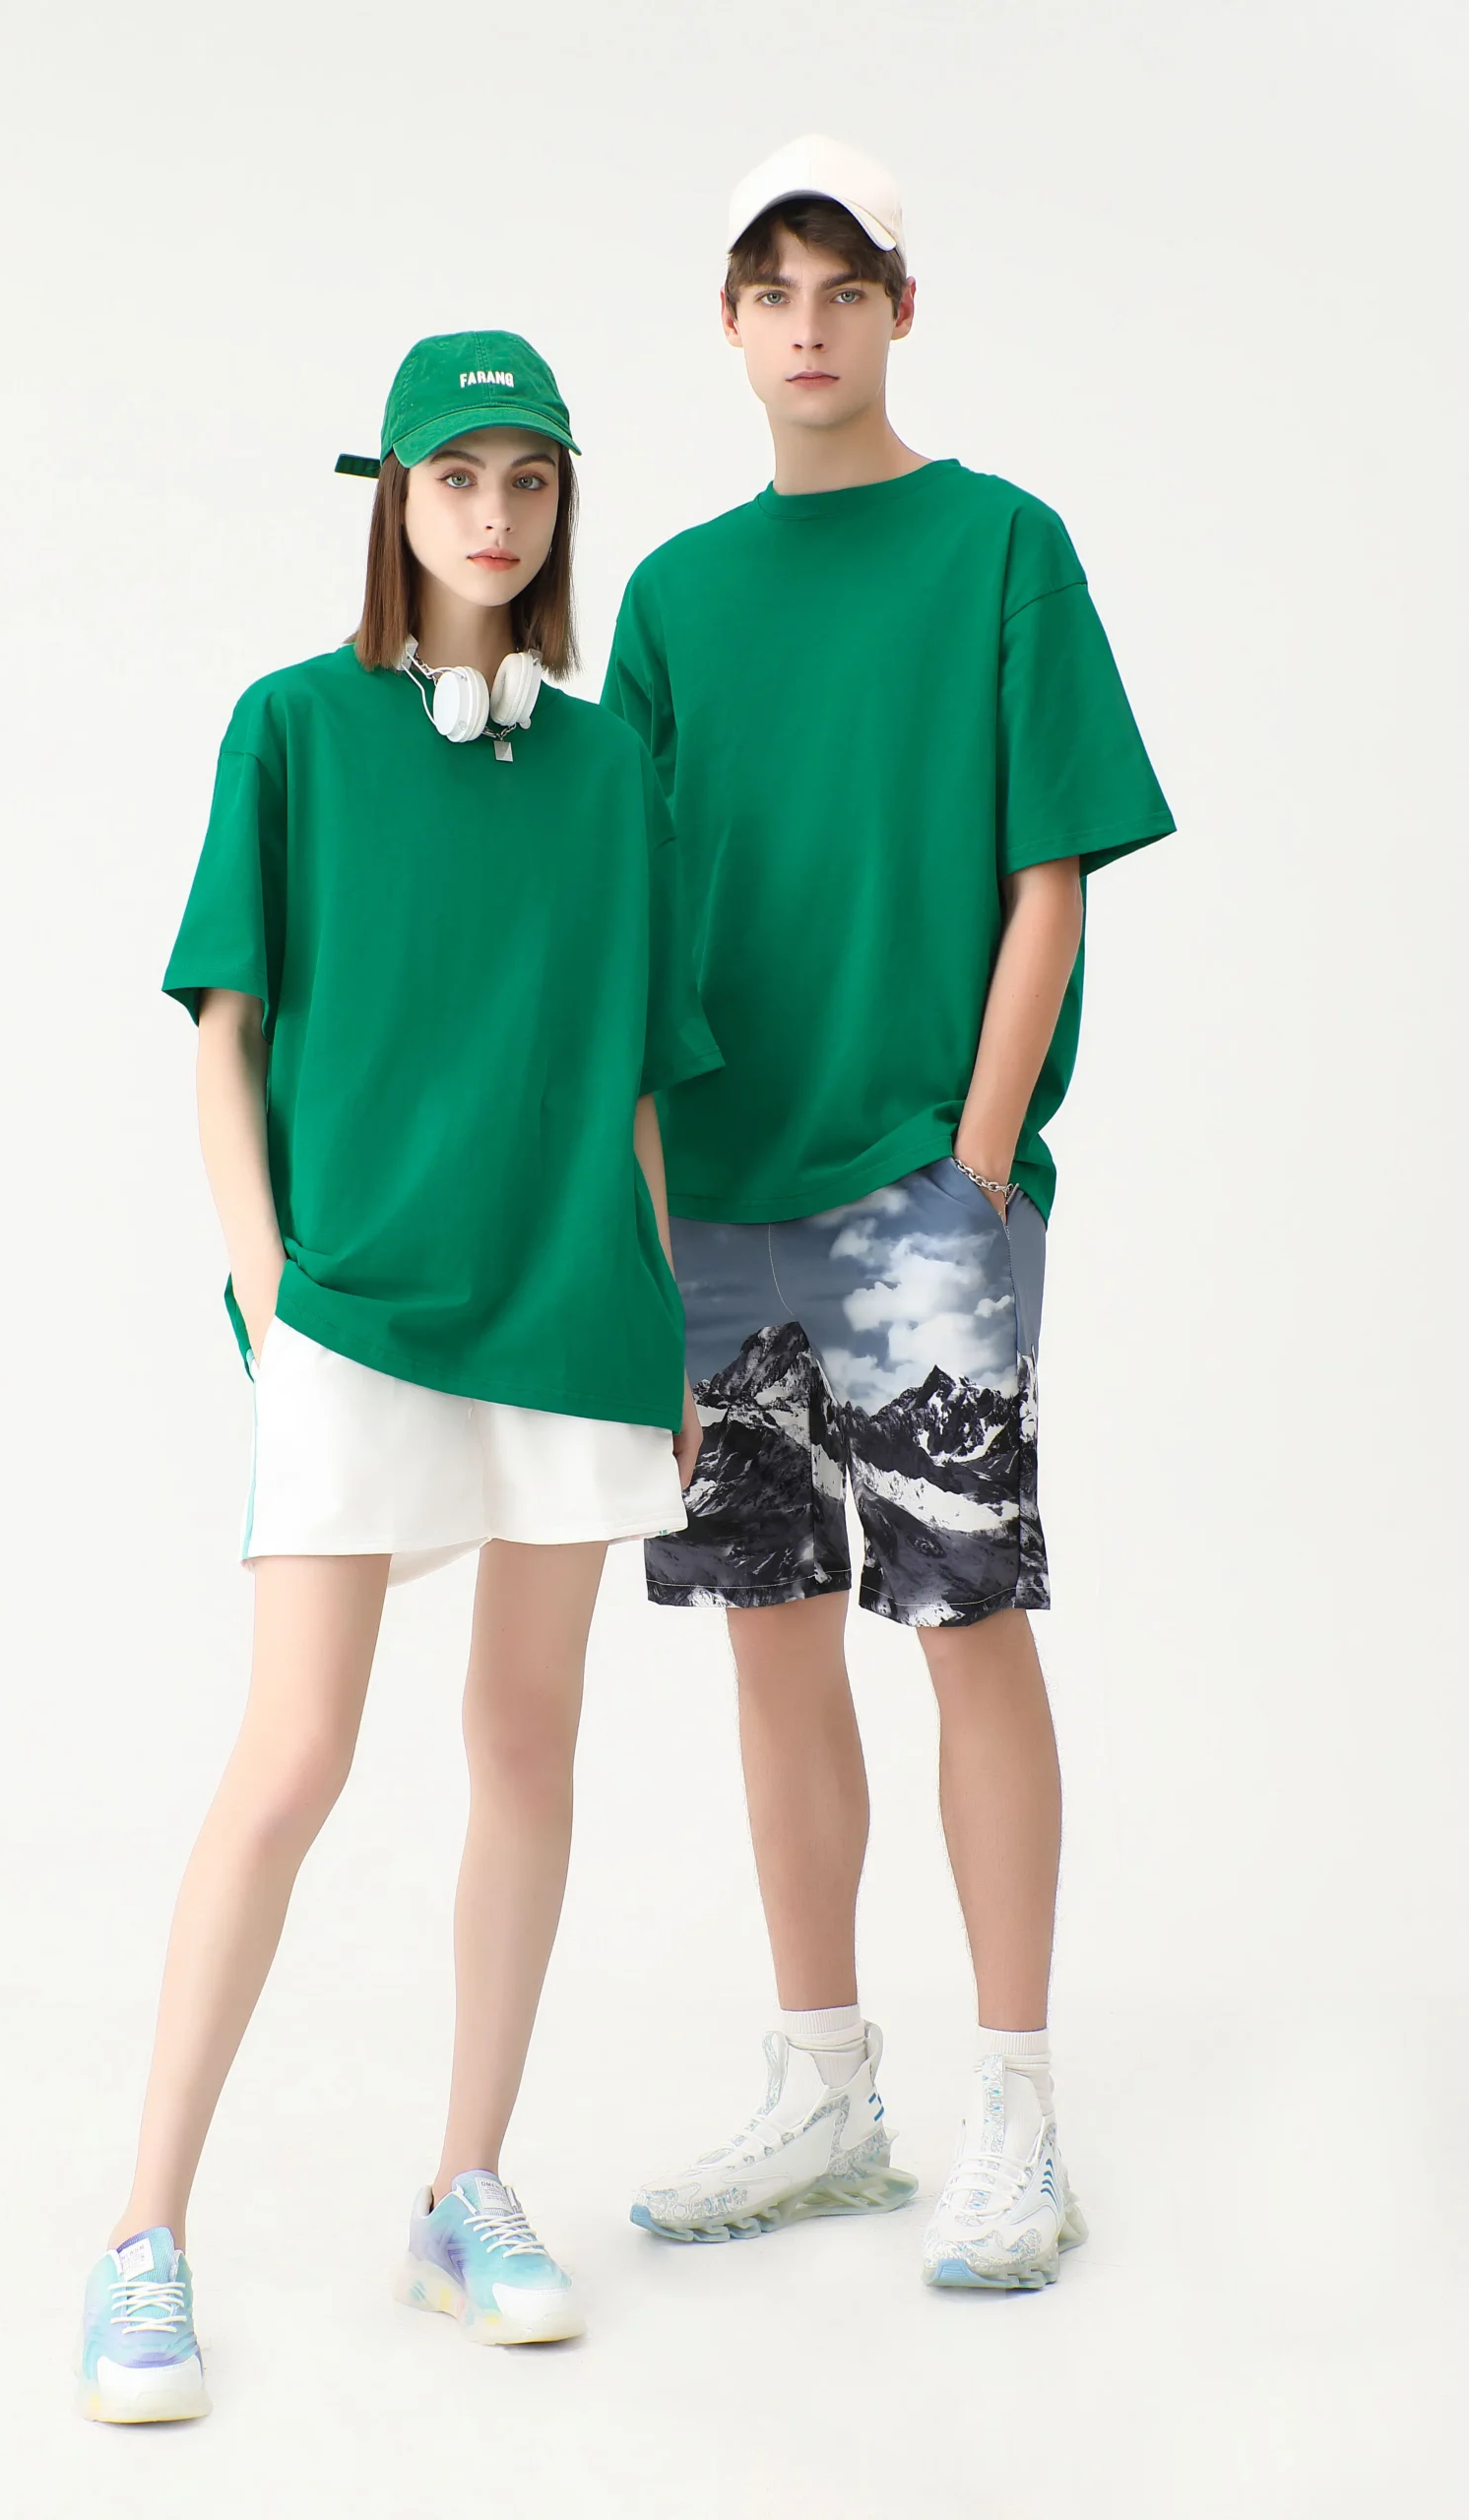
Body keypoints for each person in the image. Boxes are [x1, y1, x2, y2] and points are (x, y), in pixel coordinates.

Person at [77, 331, 718, 2420]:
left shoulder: (611, 769)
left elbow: (638, 1080)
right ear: (396, 498)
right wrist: (267, 1293)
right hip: (355, 1310)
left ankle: (463, 2190)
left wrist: (663, 1322)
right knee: (291, 1760)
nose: (494, 515)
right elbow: (227, 1032)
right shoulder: (292, 729)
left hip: (569, 1311)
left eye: (530, 479)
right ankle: (142, 2233)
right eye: (458, 476)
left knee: (525, 1745)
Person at [602, 136, 1174, 2289]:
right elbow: (622, 918)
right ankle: (826, 2090)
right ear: (728, 325)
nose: (809, 325)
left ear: (900, 310)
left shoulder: (1000, 544)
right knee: (769, 1638)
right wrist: (640, 1207)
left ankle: (1016, 2107)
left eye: (845, 287)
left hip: (913, 1193)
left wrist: (977, 1154)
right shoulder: (672, 598)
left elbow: (1051, 869)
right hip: (713, 1207)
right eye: (771, 291)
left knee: (963, 1619)